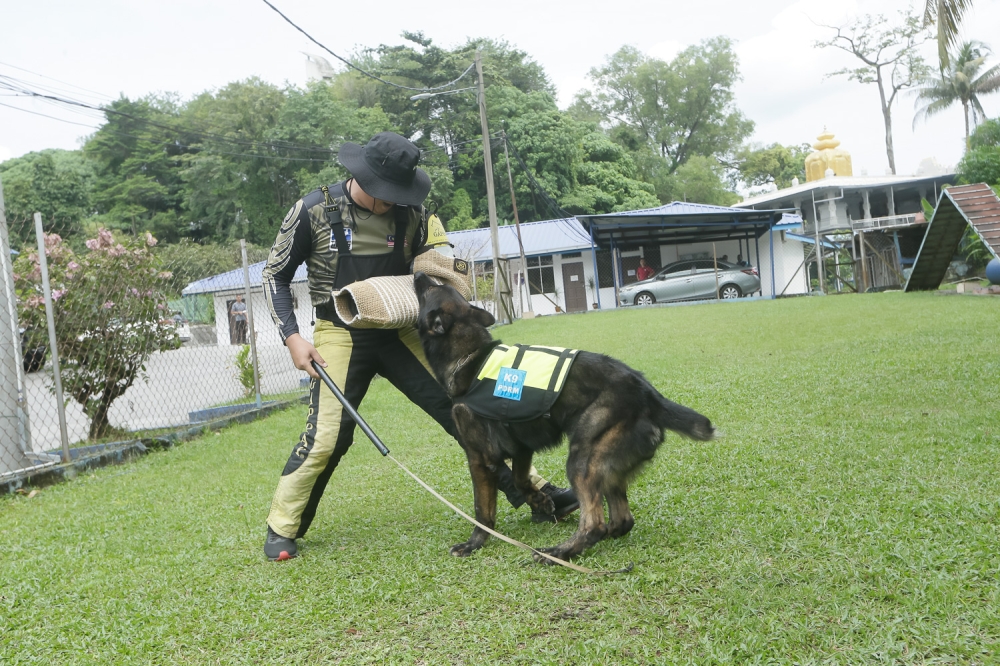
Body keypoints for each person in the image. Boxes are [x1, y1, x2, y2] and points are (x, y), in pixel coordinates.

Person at [260, 132, 578, 561]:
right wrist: (292, 336)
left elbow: (437, 263)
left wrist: (440, 264)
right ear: (364, 178)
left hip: (404, 328)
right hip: (338, 332)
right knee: (328, 437)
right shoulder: (312, 211)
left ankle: (539, 495)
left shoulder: (415, 213)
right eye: (386, 194)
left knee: (471, 407)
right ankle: (283, 527)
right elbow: (274, 276)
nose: (394, 202)